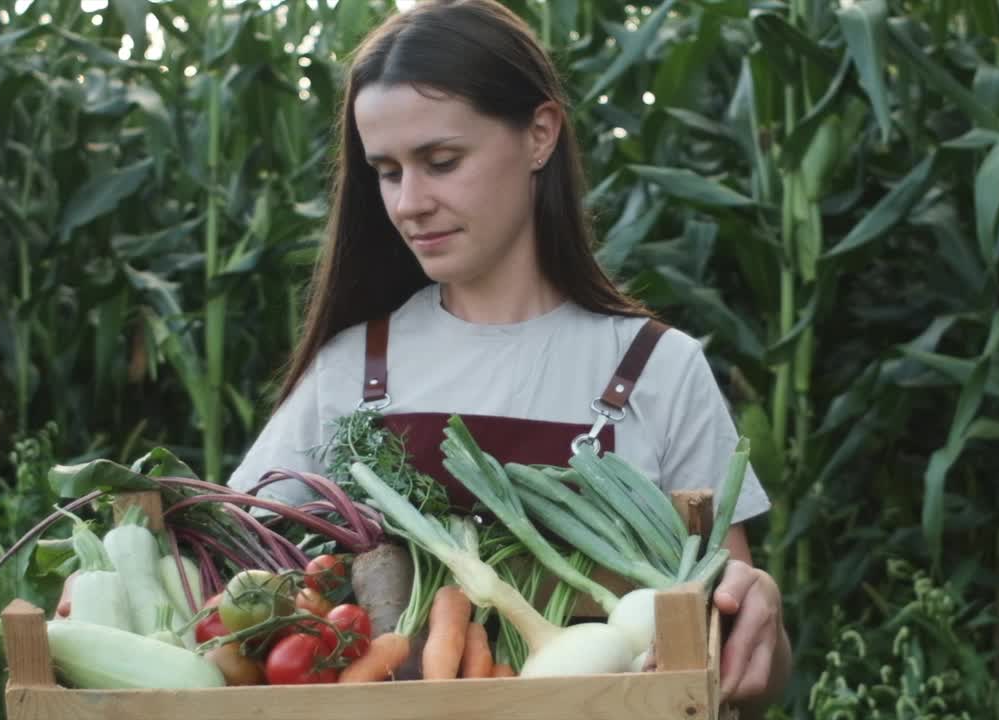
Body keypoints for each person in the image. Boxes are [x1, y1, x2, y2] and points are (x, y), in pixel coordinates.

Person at [227, 0, 791, 711]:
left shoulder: (656, 368)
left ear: (539, 135)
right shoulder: (350, 368)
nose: (409, 202)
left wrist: (757, 599)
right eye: (388, 171)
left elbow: (743, 671)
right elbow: (237, 582)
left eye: (441, 161)